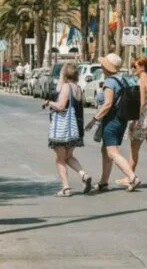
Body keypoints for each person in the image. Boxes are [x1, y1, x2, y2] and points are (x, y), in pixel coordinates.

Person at [85, 53, 141, 192]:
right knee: (105, 150)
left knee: (112, 151)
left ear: (106, 67)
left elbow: (108, 103)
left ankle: (132, 177)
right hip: (121, 119)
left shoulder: (110, 82)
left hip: (112, 119)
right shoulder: (123, 79)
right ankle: (104, 182)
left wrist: (94, 119)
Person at [42, 63, 92, 197]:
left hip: (63, 128)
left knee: (59, 159)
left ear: (65, 74)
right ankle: (84, 174)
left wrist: (49, 103)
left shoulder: (66, 87)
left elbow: (61, 105)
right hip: (74, 128)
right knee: (68, 156)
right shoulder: (77, 88)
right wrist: (61, 78)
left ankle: (66, 188)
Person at [117, 57, 147, 187]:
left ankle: (130, 176)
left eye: (135, 66)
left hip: (144, 115)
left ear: (143, 67)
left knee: (134, 147)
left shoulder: (141, 81)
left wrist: (135, 120)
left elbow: (141, 102)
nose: (134, 69)